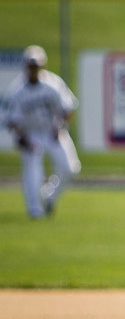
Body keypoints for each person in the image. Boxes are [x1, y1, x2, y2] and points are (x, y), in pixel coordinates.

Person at [4, 45, 81, 218]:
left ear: (42, 65)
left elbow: (69, 108)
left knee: (71, 169)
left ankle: (48, 196)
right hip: (31, 133)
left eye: (36, 66)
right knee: (33, 171)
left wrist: (60, 126)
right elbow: (13, 120)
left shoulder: (53, 84)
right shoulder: (18, 90)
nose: (33, 69)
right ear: (25, 66)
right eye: (30, 66)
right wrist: (23, 138)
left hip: (52, 130)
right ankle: (34, 209)